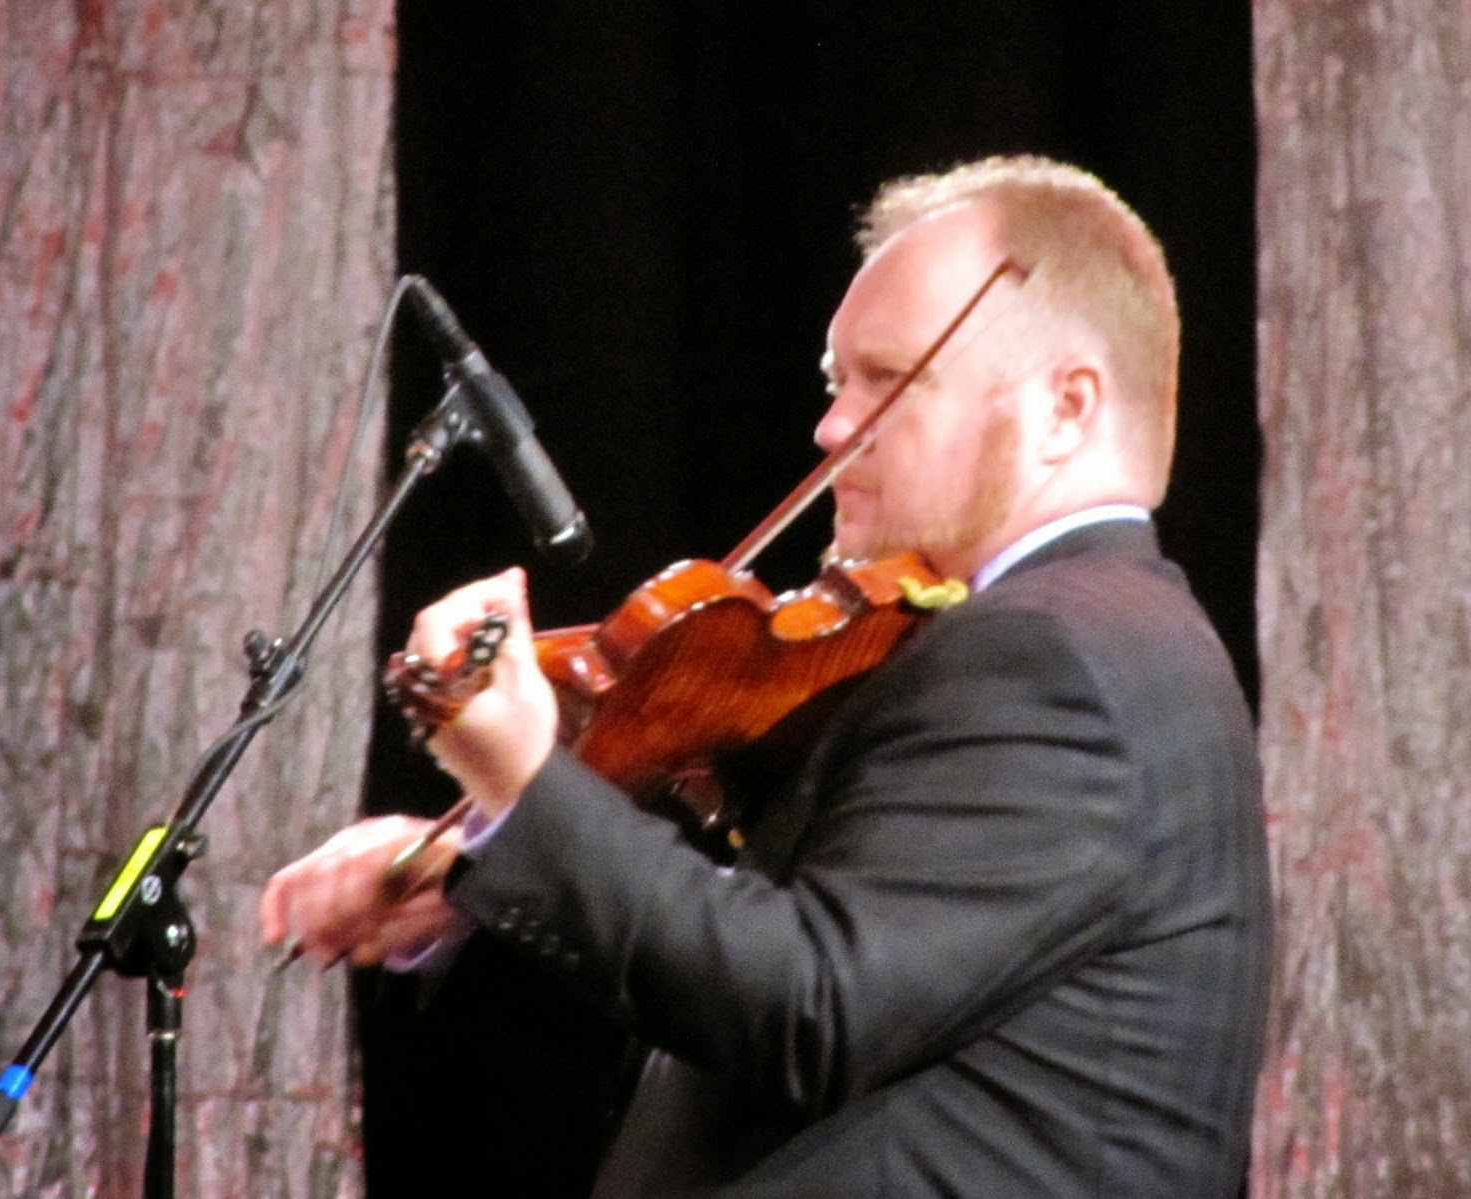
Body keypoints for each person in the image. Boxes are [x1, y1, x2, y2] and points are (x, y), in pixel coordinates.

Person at [260, 155, 1272, 1198]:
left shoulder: (1055, 659)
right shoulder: (1075, 641)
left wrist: (524, 779)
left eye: (890, 379)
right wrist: (477, 865)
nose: (833, 428)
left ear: (1067, 408)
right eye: (838, 383)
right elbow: (754, 977)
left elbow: (808, 1004)